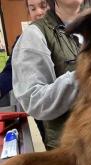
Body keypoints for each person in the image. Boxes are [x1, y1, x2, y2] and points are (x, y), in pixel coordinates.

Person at [12, 0, 91, 151]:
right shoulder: (34, 35)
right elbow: (34, 99)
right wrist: (83, 76)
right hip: (71, 150)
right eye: (32, 8)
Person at [0, 0, 49, 141]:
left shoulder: (68, 34)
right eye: (32, 9)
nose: (38, 12)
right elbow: (10, 72)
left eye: (43, 6)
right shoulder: (23, 41)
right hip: (44, 115)